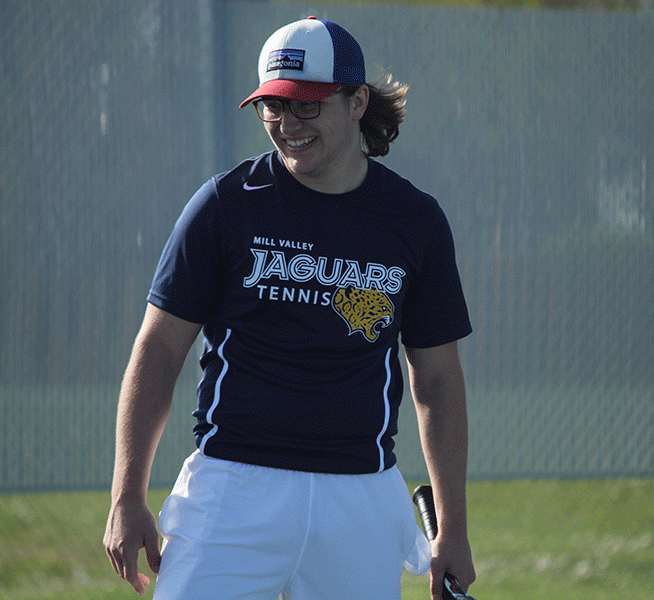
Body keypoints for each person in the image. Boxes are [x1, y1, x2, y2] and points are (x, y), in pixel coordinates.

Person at [103, 16, 475, 600]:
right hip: (231, 489)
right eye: (272, 106)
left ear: (357, 102)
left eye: (306, 106)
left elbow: (436, 379)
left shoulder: (415, 219)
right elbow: (158, 349)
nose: (286, 125)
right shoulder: (225, 205)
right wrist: (128, 494)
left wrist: (451, 526)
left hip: (359, 494)